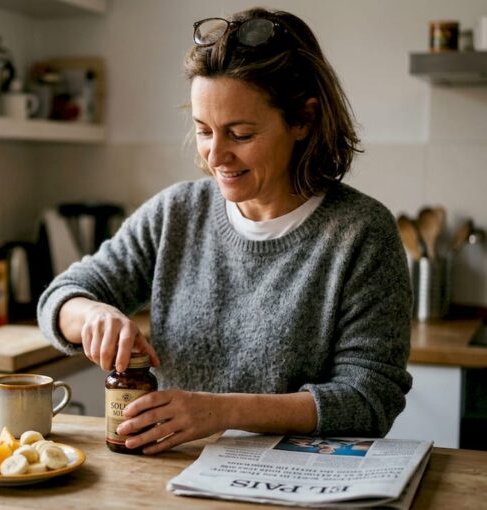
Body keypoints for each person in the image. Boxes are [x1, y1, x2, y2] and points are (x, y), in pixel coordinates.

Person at [37, 7, 412, 454]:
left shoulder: (361, 234)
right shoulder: (176, 212)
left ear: (304, 120)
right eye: (203, 130)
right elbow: (62, 297)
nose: (216, 155)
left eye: (240, 134)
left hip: (296, 485)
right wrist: (92, 315)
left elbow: (369, 399)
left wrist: (222, 411)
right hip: (171, 476)